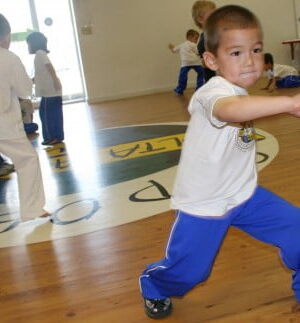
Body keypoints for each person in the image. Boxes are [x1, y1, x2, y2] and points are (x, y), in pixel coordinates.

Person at [139, 5, 300, 319]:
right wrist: (291, 103)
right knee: (191, 274)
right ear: (211, 61)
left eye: (255, 49)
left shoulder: (240, 91)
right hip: (206, 203)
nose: (251, 60)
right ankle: (153, 284)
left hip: (245, 194)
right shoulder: (211, 94)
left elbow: (244, 106)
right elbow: (230, 110)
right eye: (236, 53)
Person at [0, 14, 48, 221]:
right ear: (6, 36)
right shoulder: (8, 58)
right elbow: (25, 90)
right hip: (4, 124)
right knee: (27, 160)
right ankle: (32, 209)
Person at [26, 31, 64, 145]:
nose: (28, 47)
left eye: (28, 44)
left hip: (50, 92)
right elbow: (41, 73)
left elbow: (49, 67)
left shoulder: (39, 54)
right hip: (53, 91)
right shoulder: (41, 54)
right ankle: (58, 136)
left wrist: (55, 80)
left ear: (34, 44)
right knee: (55, 114)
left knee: (46, 115)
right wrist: (32, 81)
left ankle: (50, 137)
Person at [168, 29, 204, 95]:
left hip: (185, 63)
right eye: (196, 39)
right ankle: (199, 88)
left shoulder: (182, 45)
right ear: (189, 37)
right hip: (195, 62)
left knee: (182, 76)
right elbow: (198, 52)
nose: (196, 41)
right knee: (201, 73)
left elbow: (174, 50)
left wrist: (171, 47)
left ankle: (179, 90)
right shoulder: (193, 44)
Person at [191, 0, 216, 82]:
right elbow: (205, 63)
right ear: (201, 19)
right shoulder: (204, 40)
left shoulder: (216, 35)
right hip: (214, 82)